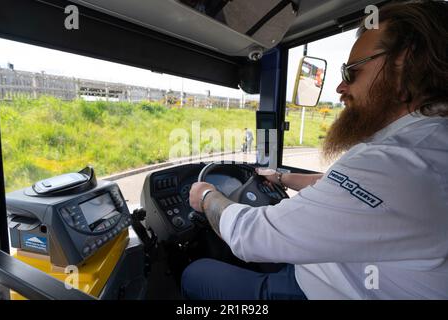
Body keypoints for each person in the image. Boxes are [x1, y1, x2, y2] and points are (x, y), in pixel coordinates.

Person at [182, 1, 448, 300]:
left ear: (403, 63)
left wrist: (206, 196)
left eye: (351, 72)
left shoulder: (396, 161)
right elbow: (341, 189)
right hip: (334, 270)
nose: (340, 88)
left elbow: (250, 236)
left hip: (323, 290)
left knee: (197, 273)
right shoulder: (427, 145)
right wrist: (280, 178)